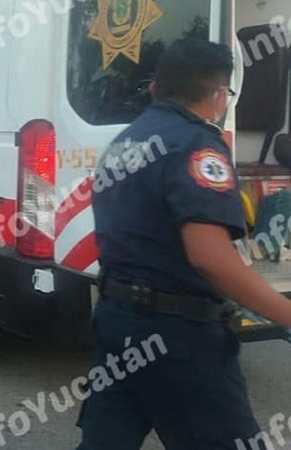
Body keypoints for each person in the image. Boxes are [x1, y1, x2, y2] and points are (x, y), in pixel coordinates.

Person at [75, 38, 291, 449]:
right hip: (177, 336)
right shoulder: (196, 146)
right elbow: (210, 257)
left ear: (157, 88)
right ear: (218, 96)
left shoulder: (124, 142)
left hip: (116, 320)